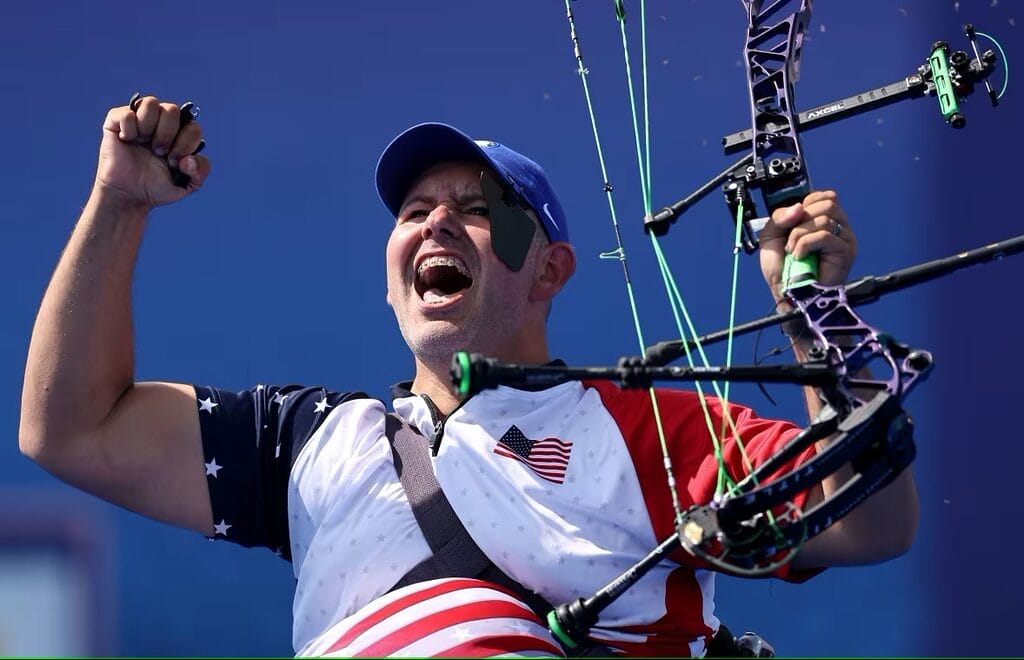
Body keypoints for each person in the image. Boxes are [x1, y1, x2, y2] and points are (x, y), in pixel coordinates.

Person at [19, 96, 918, 657]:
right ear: (388, 272)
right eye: (415, 212)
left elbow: (871, 522)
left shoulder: (648, 431)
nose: (436, 227)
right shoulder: (311, 443)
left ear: (550, 269)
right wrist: (119, 202)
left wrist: (814, 314)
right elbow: (72, 429)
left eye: (477, 213)